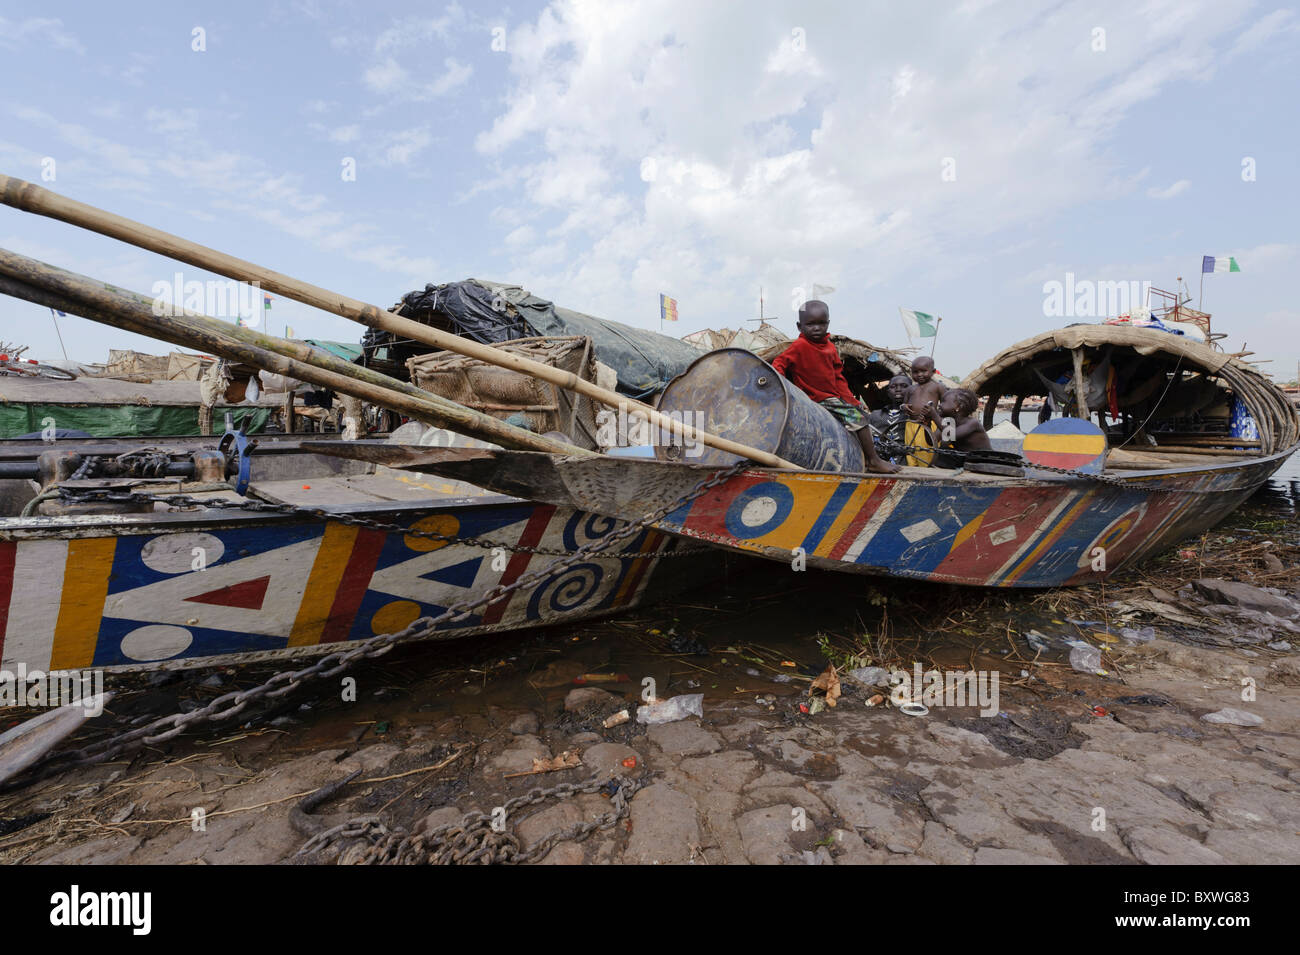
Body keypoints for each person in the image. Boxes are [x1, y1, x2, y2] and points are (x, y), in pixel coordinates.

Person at [771, 301, 901, 474]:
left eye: (821, 323)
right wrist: (783, 385)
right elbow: (779, 363)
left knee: (862, 415)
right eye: (810, 324)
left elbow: (838, 378)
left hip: (832, 398)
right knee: (859, 421)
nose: (816, 328)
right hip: (815, 398)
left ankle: (861, 456)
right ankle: (873, 460)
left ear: (828, 323)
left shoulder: (830, 348)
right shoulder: (799, 347)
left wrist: (851, 400)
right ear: (799, 326)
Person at [917, 388, 990, 468]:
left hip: (983, 459)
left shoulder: (972, 423)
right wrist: (927, 423)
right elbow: (931, 441)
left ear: (958, 407)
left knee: (944, 452)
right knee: (943, 450)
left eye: (944, 402)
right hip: (965, 458)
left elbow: (952, 435)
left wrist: (934, 416)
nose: (940, 405)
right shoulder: (947, 422)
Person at [866, 374, 911, 464]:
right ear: (888, 392)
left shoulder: (914, 416)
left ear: (913, 390)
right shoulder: (875, 415)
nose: (898, 389)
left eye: (904, 386)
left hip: (908, 463)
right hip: (880, 463)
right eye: (893, 386)